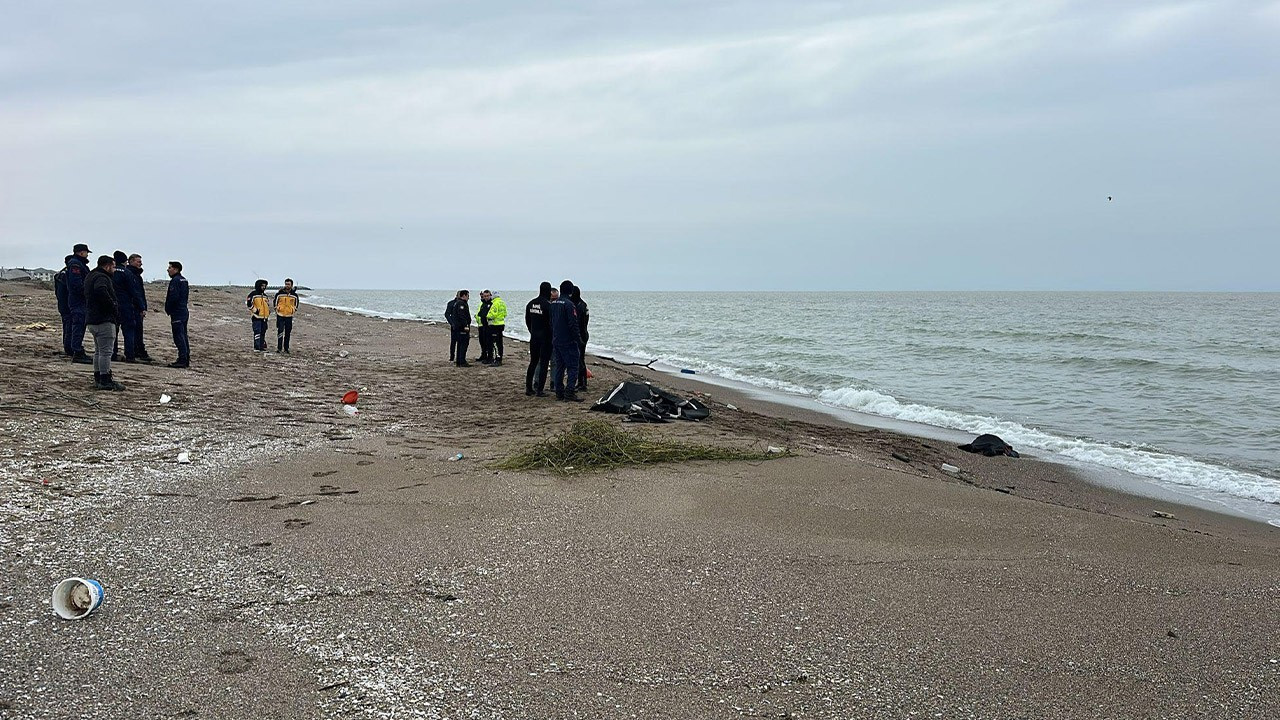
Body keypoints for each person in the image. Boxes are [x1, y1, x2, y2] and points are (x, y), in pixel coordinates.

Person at [84, 255, 125, 391]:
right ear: (107, 266)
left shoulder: (91, 275)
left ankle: (98, 377)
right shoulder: (102, 278)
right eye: (113, 267)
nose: (114, 269)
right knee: (106, 352)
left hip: (92, 319)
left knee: (99, 351)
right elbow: (101, 291)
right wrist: (112, 305)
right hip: (103, 319)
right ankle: (105, 379)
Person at [548, 280, 582, 401]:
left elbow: (551, 322)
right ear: (571, 291)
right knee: (573, 367)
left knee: (559, 367)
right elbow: (573, 324)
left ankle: (559, 392)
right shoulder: (569, 305)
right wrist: (578, 339)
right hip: (568, 340)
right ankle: (569, 392)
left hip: (556, 339)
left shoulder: (553, 304)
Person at [63, 244, 92, 364]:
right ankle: (77, 351)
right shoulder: (75, 264)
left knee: (77, 325)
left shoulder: (79, 264)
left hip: (78, 300)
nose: (87, 255)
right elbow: (76, 285)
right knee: (78, 325)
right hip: (78, 301)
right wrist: (87, 293)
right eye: (86, 252)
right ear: (81, 252)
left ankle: (74, 349)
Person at [524, 282, 553, 396]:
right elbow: (551, 323)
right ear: (549, 291)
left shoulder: (531, 304)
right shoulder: (548, 305)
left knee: (533, 362)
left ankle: (528, 388)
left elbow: (527, 320)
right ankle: (540, 390)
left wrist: (532, 331)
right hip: (546, 338)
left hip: (534, 336)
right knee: (544, 363)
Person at [110, 250, 139, 362]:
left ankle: (113, 353)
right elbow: (133, 291)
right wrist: (140, 306)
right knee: (129, 331)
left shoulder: (110, 272)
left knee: (113, 331)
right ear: (124, 261)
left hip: (112, 305)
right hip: (126, 305)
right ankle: (130, 355)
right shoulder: (127, 273)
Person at [125, 254, 152, 362]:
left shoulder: (137, 275)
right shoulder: (131, 274)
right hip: (133, 307)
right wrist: (141, 307)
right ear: (131, 261)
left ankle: (138, 350)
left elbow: (140, 293)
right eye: (138, 261)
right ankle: (136, 351)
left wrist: (143, 306)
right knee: (135, 330)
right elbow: (135, 293)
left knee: (138, 330)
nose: (140, 263)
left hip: (137, 306)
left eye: (140, 261)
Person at [165, 261, 190, 368]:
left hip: (178, 312)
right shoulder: (183, 280)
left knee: (179, 336)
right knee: (183, 335)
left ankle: (182, 359)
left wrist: (168, 309)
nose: (168, 270)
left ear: (176, 269)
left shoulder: (175, 281)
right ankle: (185, 358)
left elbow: (173, 297)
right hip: (183, 310)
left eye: (170, 268)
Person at [475, 289, 508, 365]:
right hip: (499, 324)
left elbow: (491, 314)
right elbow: (505, 314)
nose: (486, 297)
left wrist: (487, 317)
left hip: (494, 325)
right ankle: (492, 358)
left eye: (488, 296)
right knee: (493, 342)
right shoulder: (502, 303)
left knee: (495, 343)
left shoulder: (494, 303)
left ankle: (497, 359)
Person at [569, 284, 590, 391]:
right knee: (580, 359)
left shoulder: (578, 306)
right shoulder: (583, 304)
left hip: (581, 335)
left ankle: (582, 384)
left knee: (580, 359)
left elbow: (577, 323)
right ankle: (581, 382)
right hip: (584, 333)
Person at [445, 289, 472, 367]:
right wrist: (465, 325)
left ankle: (459, 360)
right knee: (462, 344)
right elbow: (461, 316)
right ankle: (461, 361)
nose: (468, 298)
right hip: (460, 327)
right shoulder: (460, 304)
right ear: (463, 296)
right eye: (467, 296)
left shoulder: (459, 303)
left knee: (460, 344)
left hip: (457, 327)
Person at [274, 278, 300, 353]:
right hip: (280, 315)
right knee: (280, 331)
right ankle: (279, 348)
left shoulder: (294, 295)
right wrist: (277, 309)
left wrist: (294, 309)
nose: (287, 285)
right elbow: (275, 302)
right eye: (286, 284)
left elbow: (296, 304)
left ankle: (286, 348)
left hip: (289, 315)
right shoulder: (279, 293)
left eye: (288, 284)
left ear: (291, 285)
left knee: (288, 332)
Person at [247, 279, 271, 351]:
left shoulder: (265, 296)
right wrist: (255, 311)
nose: (264, 287)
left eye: (265, 286)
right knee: (257, 331)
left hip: (264, 317)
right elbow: (249, 304)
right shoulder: (253, 294)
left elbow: (267, 305)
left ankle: (261, 346)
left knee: (263, 331)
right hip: (256, 317)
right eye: (262, 286)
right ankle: (257, 347)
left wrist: (268, 312)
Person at [54, 266, 72, 357]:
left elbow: (57, 292)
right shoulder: (66, 275)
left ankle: (67, 346)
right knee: (69, 327)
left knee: (67, 326)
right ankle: (69, 348)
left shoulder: (59, 275)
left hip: (62, 305)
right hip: (68, 306)